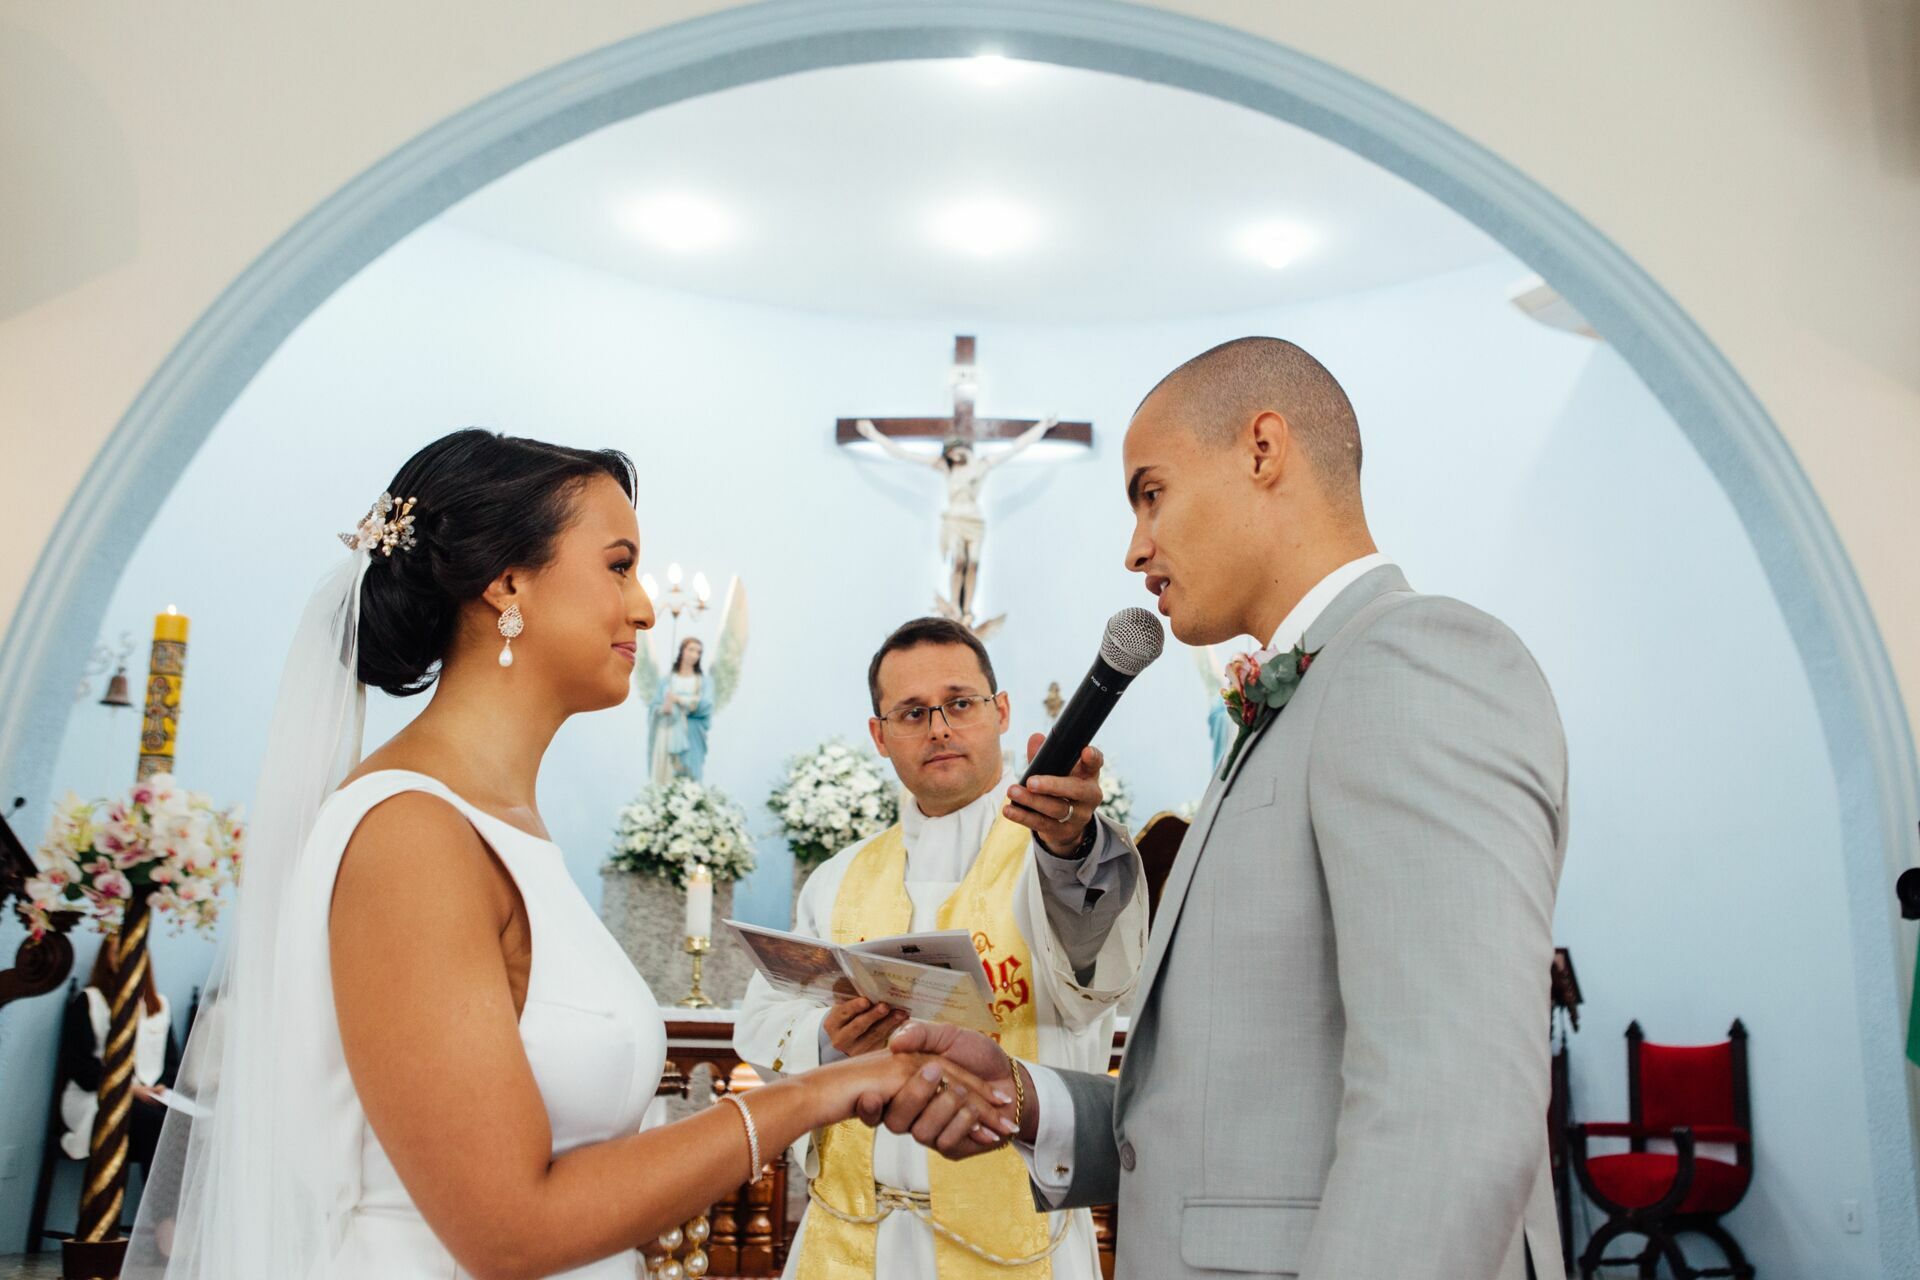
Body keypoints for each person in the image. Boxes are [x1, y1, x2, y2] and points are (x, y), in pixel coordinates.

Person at [128, 431, 1010, 1280]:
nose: (646, 607)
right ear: (508, 583)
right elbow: (507, 1230)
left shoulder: (502, 823)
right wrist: (819, 1092)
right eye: (618, 565)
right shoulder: (411, 835)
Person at [879, 338, 1570, 1279]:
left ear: (1263, 449)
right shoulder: (1303, 700)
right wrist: (1027, 1099)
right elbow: (1242, 1104)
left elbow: (1452, 1112)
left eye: (1150, 493)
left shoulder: (1416, 663)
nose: (1135, 547)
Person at [734, 616, 1146, 1280]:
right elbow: (760, 1024)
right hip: (851, 1238)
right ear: (878, 735)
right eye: (911, 712)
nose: (939, 728)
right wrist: (830, 1042)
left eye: (960, 703)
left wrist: (1072, 847)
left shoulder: (1063, 862)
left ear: (1002, 711)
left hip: (1016, 1246)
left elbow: (1102, 965)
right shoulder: (837, 880)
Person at [58, 947, 181, 1179]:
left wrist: (160, 1088)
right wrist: (132, 1090)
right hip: (96, 1097)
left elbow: (171, 1063)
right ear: (106, 958)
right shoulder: (90, 1001)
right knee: (157, 1126)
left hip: (149, 1098)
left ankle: (172, 1211)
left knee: (186, 1126)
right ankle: (160, 1215)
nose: (125, 959)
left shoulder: (160, 1006)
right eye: (117, 952)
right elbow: (80, 1067)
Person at [648, 636, 713, 782]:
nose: (694, 655)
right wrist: (664, 708)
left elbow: (706, 706)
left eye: (698, 652)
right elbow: (654, 706)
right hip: (668, 731)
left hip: (691, 732)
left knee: (689, 772)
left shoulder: (704, 682)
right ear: (682, 651)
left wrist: (680, 700)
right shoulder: (667, 680)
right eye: (691, 650)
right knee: (667, 772)